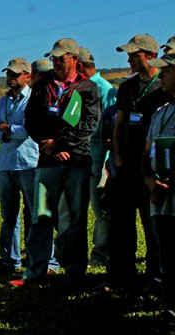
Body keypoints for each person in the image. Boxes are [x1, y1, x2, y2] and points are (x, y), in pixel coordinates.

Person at [13, 38, 101, 288]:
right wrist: (46, 144)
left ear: (74, 58)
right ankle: (35, 273)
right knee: (41, 217)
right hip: (47, 162)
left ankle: (75, 274)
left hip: (77, 162)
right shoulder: (42, 87)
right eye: (54, 59)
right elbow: (31, 120)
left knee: (75, 219)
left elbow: (87, 125)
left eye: (61, 58)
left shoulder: (87, 89)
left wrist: (60, 145)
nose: (57, 63)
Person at [109, 34, 169, 291]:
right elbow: (119, 123)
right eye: (129, 54)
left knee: (152, 223)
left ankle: (155, 275)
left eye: (135, 54)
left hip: (151, 167)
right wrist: (117, 156)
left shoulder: (163, 87)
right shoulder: (127, 87)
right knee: (122, 224)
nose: (130, 59)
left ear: (151, 55)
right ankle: (123, 276)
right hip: (126, 166)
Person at [0, 58, 58, 272]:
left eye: (15, 74)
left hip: (29, 162)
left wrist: (7, 130)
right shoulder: (1, 102)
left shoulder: (34, 99)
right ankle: (10, 260)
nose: (11, 78)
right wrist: (11, 131)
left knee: (36, 214)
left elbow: (30, 129)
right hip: (6, 165)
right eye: (9, 74)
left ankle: (46, 260)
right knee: (8, 216)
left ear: (27, 76)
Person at [78, 47, 117, 267]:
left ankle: (101, 254)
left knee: (101, 210)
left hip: (100, 160)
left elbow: (112, 128)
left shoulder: (106, 90)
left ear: (80, 66)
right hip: (84, 158)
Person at [142, 52, 175, 306]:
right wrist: (151, 181)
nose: (161, 75)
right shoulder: (160, 113)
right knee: (166, 254)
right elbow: (147, 153)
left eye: (166, 71)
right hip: (161, 198)